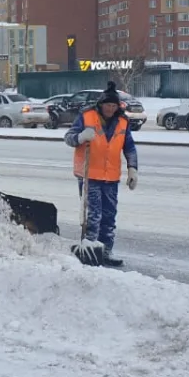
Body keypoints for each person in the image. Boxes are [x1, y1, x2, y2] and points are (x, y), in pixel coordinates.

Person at [63, 81, 138, 263]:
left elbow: (129, 147)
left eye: (114, 105)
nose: (110, 109)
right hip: (89, 175)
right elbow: (69, 138)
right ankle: (89, 249)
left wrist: (132, 169)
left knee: (109, 215)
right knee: (93, 214)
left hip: (111, 176)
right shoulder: (87, 117)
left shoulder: (122, 122)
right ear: (101, 104)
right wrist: (80, 137)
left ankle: (106, 251)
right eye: (107, 105)